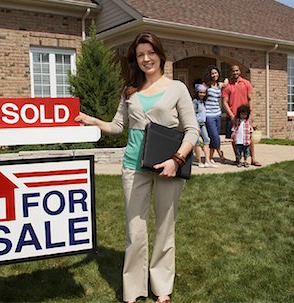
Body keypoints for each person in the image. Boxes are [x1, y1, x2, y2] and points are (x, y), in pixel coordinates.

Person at [75, 33, 199, 303]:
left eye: (150, 53)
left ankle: (161, 288)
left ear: (160, 54)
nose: (145, 59)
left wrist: (176, 160)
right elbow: (117, 126)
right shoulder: (129, 91)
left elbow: (192, 130)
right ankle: (133, 290)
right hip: (133, 167)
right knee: (135, 231)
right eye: (140, 55)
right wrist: (91, 120)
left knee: (165, 229)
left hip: (169, 168)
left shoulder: (177, 88)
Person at [222, 64, 262, 166]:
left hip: (245, 116)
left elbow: (250, 99)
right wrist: (231, 115)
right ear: (230, 72)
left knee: (250, 138)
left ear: (239, 71)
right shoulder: (228, 86)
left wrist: (250, 114)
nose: (235, 73)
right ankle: (238, 159)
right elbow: (224, 102)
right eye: (233, 71)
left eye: (237, 71)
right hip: (233, 117)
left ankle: (253, 159)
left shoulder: (246, 83)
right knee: (234, 139)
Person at [203, 65, 228, 164]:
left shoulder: (219, 85)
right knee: (215, 136)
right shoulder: (205, 85)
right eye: (212, 73)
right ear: (209, 75)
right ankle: (220, 154)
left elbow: (226, 82)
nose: (214, 75)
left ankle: (210, 157)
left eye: (216, 73)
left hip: (218, 114)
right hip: (208, 115)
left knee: (215, 136)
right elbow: (198, 94)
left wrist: (226, 80)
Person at [192, 83, 215, 168]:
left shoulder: (203, 102)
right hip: (196, 123)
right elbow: (193, 113)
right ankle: (199, 162)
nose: (202, 94)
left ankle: (207, 161)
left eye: (204, 93)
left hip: (202, 123)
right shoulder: (195, 102)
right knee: (197, 142)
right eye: (200, 92)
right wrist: (195, 126)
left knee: (207, 140)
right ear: (197, 92)